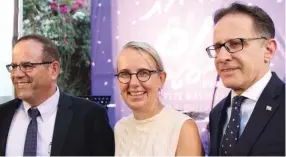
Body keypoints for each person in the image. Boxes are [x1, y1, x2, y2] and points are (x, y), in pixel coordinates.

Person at [0, 34, 115, 156]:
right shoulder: (2, 116)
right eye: (14, 66)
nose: (17, 74)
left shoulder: (90, 117)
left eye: (27, 66)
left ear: (54, 70)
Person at [205, 2, 285, 156]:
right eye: (217, 47)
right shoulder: (216, 114)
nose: (222, 57)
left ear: (268, 50)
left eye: (235, 44)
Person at [114, 41, 203, 156]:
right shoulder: (120, 128)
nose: (133, 83)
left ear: (161, 79)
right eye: (125, 74)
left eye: (143, 73)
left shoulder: (182, 128)